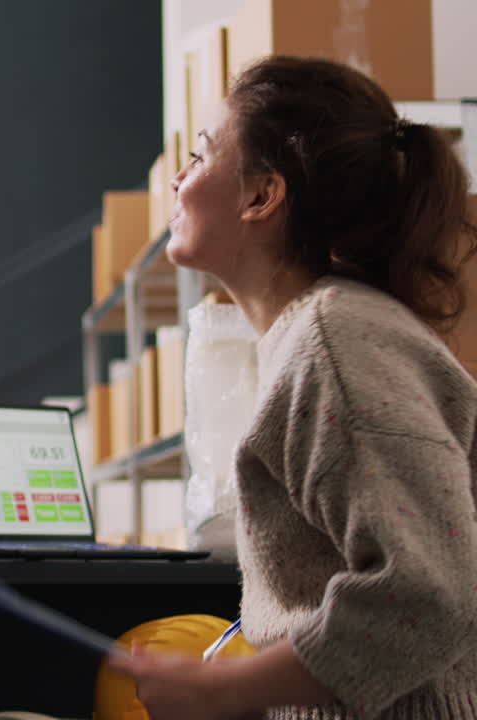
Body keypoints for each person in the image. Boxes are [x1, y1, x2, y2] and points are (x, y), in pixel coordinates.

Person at [109, 56, 477, 720]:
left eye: (199, 156)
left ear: (261, 196)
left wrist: (227, 691)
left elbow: (428, 596)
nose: (180, 180)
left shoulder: (336, 340)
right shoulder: (317, 334)